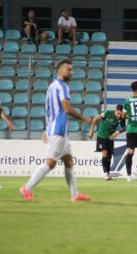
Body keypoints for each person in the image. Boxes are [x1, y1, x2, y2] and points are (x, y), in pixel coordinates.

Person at [19, 60, 91, 202]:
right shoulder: (62, 86)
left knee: (68, 161)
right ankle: (27, 188)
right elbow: (66, 108)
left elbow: (49, 110)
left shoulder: (52, 87)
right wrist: (84, 118)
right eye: (69, 70)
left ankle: (75, 194)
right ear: (60, 71)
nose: (71, 72)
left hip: (57, 131)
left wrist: (47, 128)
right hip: (58, 131)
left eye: (72, 69)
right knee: (50, 164)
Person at [87, 105, 125, 180]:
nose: (119, 115)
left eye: (120, 114)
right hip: (102, 136)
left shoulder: (121, 118)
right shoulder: (107, 113)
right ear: (115, 110)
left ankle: (107, 174)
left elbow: (123, 128)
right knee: (105, 153)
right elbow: (95, 118)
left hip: (110, 138)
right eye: (118, 113)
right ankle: (105, 173)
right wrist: (91, 131)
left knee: (109, 156)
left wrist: (117, 132)